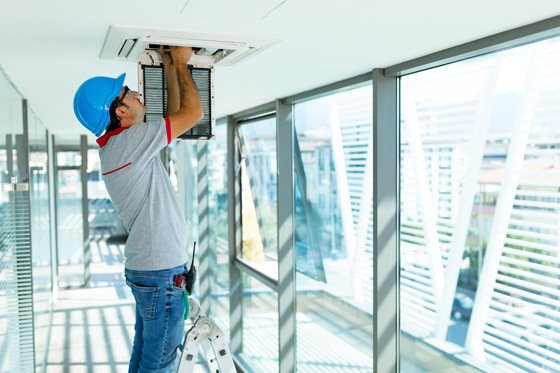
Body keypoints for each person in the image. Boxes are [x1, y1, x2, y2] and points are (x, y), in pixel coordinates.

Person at [73, 46, 203, 372]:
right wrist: (184, 63)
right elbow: (193, 113)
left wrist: (173, 64)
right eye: (128, 93)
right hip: (159, 274)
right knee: (157, 365)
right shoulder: (131, 143)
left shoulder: (121, 146)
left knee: (146, 359)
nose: (136, 93)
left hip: (153, 271)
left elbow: (177, 114)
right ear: (120, 112)